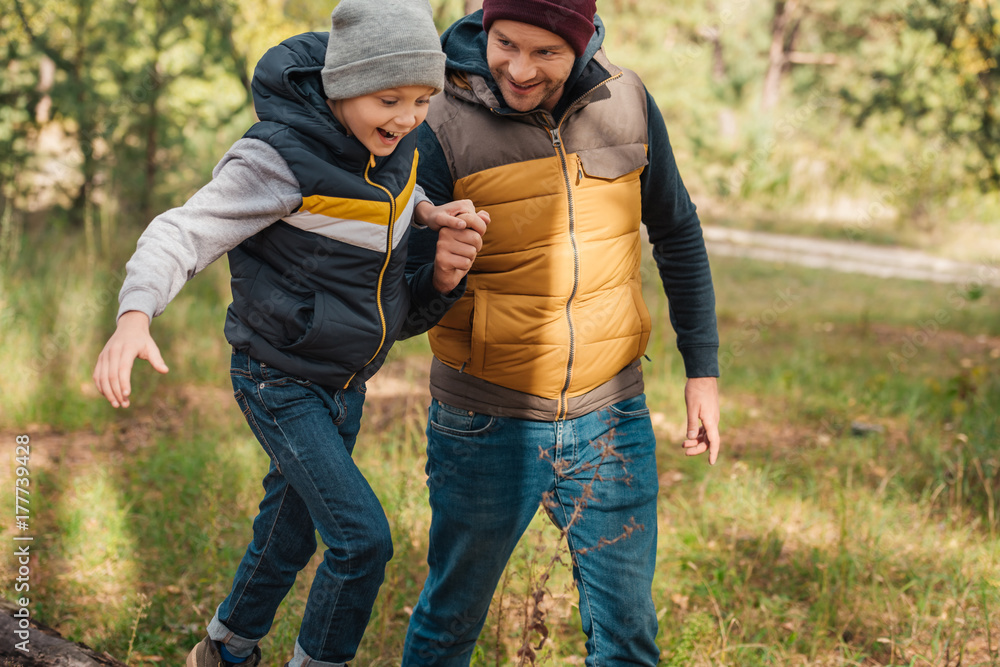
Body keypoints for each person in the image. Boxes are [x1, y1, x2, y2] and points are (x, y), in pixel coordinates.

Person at [92, 1, 489, 666]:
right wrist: (135, 314)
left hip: (344, 381)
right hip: (280, 376)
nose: (407, 117)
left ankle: (224, 649)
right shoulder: (277, 159)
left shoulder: (398, 145)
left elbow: (375, 205)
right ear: (342, 84)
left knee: (289, 532)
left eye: (423, 99)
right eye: (389, 98)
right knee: (362, 541)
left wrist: (427, 215)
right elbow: (182, 230)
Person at [401, 1, 721, 664]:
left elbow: (678, 233)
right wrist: (437, 275)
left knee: (627, 632)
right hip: (484, 416)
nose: (519, 69)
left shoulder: (626, 101)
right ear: (484, 28)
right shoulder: (437, 121)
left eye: (545, 52)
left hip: (612, 413)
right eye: (506, 43)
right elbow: (400, 301)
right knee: (450, 621)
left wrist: (703, 371)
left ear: (582, 41)